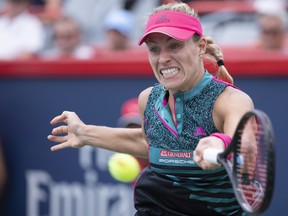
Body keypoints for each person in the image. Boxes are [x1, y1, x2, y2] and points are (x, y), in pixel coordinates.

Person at [48, 2, 254, 215]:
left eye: (174, 45)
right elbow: (150, 143)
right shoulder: (148, 99)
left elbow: (244, 150)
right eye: (154, 49)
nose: (163, 58)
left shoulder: (230, 100)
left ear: (200, 47)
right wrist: (85, 133)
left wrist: (220, 143)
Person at [117, 98, 149, 171]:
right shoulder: (128, 159)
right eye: (130, 127)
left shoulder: (159, 156)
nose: (133, 133)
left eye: (138, 126)